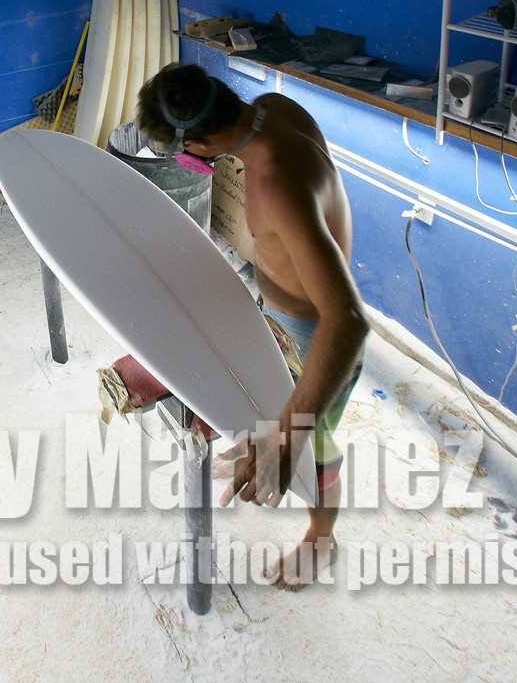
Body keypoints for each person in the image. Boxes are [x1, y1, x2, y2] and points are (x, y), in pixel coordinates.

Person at [137, 63, 367, 590]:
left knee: (317, 447)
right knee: (267, 400)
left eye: (182, 152)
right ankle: (268, 440)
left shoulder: (275, 181)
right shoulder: (274, 110)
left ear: (199, 141)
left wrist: (287, 445)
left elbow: (347, 321)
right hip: (286, 314)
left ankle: (321, 540)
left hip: (318, 339)